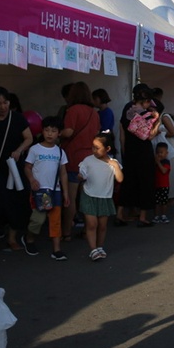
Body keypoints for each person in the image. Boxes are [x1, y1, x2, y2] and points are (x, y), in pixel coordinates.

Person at [0, 86, 33, 253]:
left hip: (14, 167)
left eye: (5, 102)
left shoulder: (17, 118)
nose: (2, 107)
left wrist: (19, 150)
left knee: (16, 200)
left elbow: (29, 138)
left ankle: (12, 237)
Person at [58, 82, 100, 240]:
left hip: (74, 157)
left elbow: (68, 132)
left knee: (70, 197)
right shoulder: (94, 113)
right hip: (90, 158)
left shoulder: (72, 110)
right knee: (87, 197)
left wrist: (57, 133)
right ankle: (87, 230)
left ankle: (66, 232)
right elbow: (96, 133)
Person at [25, 116, 69, 261]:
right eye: (47, 130)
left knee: (55, 220)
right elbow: (27, 167)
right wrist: (32, 180)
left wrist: (66, 194)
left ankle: (57, 249)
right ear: (42, 131)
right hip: (40, 191)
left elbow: (63, 173)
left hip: (55, 191)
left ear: (59, 133)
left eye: (53, 131)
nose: (50, 134)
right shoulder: (34, 149)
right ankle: (29, 239)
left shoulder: (60, 152)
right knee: (38, 219)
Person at [118, 88, 160, 228]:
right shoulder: (147, 114)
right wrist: (157, 121)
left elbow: (121, 131)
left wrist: (124, 149)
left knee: (128, 182)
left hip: (129, 150)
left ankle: (120, 213)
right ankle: (142, 217)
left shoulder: (127, 109)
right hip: (143, 152)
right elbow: (150, 135)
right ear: (146, 101)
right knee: (145, 182)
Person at [77, 134, 122, 261]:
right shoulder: (88, 160)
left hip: (105, 197)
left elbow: (120, 178)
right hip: (89, 194)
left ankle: (100, 247)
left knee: (102, 226)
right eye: (93, 147)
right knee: (92, 224)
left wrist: (115, 166)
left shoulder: (113, 163)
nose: (94, 150)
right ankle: (93, 250)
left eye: (98, 148)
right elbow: (81, 174)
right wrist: (80, 177)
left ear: (107, 149)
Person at [152, 143, 172, 223]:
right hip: (156, 184)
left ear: (166, 153)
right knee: (156, 201)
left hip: (164, 185)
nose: (160, 154)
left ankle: (163, 215)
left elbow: (164, 171)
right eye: (158, 152)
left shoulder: (166, 162)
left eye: (162, 152)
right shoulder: (154, 162)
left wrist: (158, 163)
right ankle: (156, 216)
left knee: (164, 201)